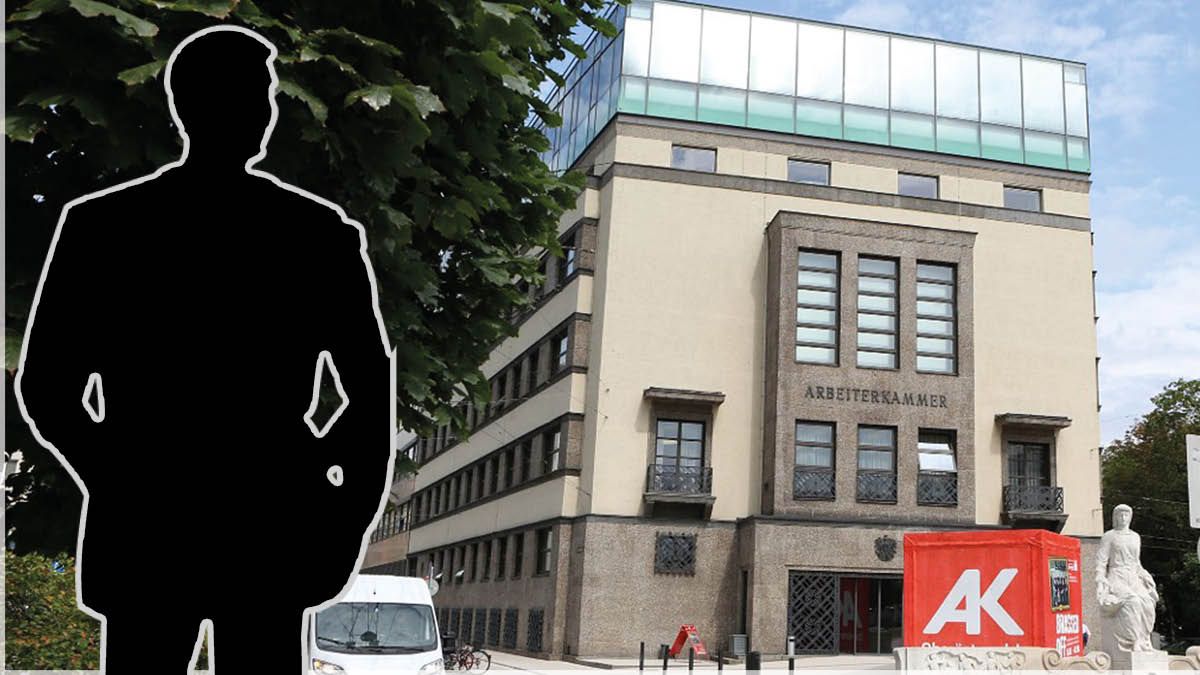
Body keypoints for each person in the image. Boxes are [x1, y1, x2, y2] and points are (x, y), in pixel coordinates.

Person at [15, 26, 394, 673]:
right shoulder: (311, 234)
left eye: (263, 95)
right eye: (254, 95)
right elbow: (368, 384)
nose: (263, 111)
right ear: (193, 106)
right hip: (253, 515)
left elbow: (47, 384)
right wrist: (341, 504)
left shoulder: (106, 227)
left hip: (185, 519)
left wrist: (116, 469)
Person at [1095, 504, 1159, 654]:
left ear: (1130, 517)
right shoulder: (1109, 536)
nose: (1123, 518)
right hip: (1117, 575)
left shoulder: (1135, 537)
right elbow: (1101, 560)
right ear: (1115, 517)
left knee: (1147, 602)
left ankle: (1145, 640)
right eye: (1120, 515)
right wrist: (1100, 578)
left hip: (1133, 576)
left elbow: (1137, 562)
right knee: (1132, 601)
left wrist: (1145, 576)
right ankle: (1134, 641)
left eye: (1126, 515)